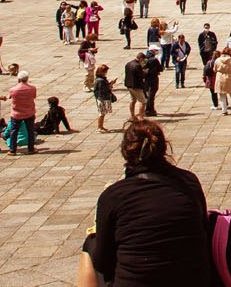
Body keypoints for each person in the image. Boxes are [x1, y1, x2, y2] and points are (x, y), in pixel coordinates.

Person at [78, 119, 211, 287]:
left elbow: (103, 262)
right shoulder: (189, 182)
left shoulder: (113, 196)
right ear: (163, 148)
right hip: (194, 280)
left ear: (126, 152)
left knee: (91, 244)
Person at [6, 71, 40, 154]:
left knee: (14, 131)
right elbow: (34, 96)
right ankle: (31, 148)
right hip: (29, 112)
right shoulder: (32, 88)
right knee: (30, 131)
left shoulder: (13, 90)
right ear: (27, 79)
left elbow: (9, 97)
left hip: (16, 113)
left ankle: (13, 150)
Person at [215, 49, 231, 114]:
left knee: (222, 95)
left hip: (220, 77)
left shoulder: (217, 60)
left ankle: (224, 111)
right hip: (230, 77)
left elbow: (214, 69)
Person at [92, 64, 117, 130]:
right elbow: (103, 90)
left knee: (103, 113)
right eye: (105, 72)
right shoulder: (100, 81)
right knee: (101, 113)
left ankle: (101, 126)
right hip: (102, 99)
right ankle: (99, 127)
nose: (106, 73)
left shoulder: (100, 79)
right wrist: (110, 85)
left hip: (101, 98)